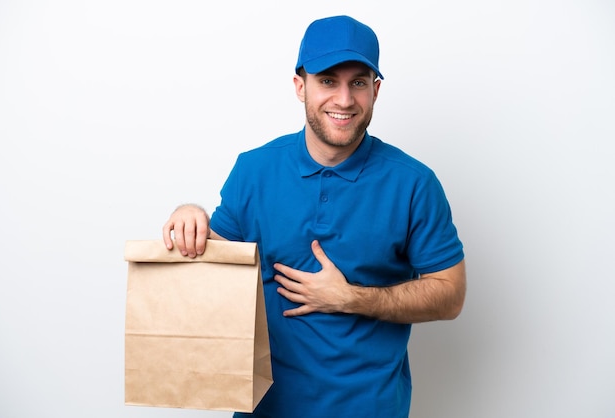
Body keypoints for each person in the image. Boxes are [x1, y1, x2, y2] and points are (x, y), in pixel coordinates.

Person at [162, 15, 466, 418]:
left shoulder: (414, 184)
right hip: (262, 407)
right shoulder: (254, 170)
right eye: (327, 80)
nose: (343, 99)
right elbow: (213, 268)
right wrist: (191, 217)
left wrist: (350, 298)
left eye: (358, 82)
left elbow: (451, 295)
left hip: (368, 408)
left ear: (375, 91)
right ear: (299, 86)